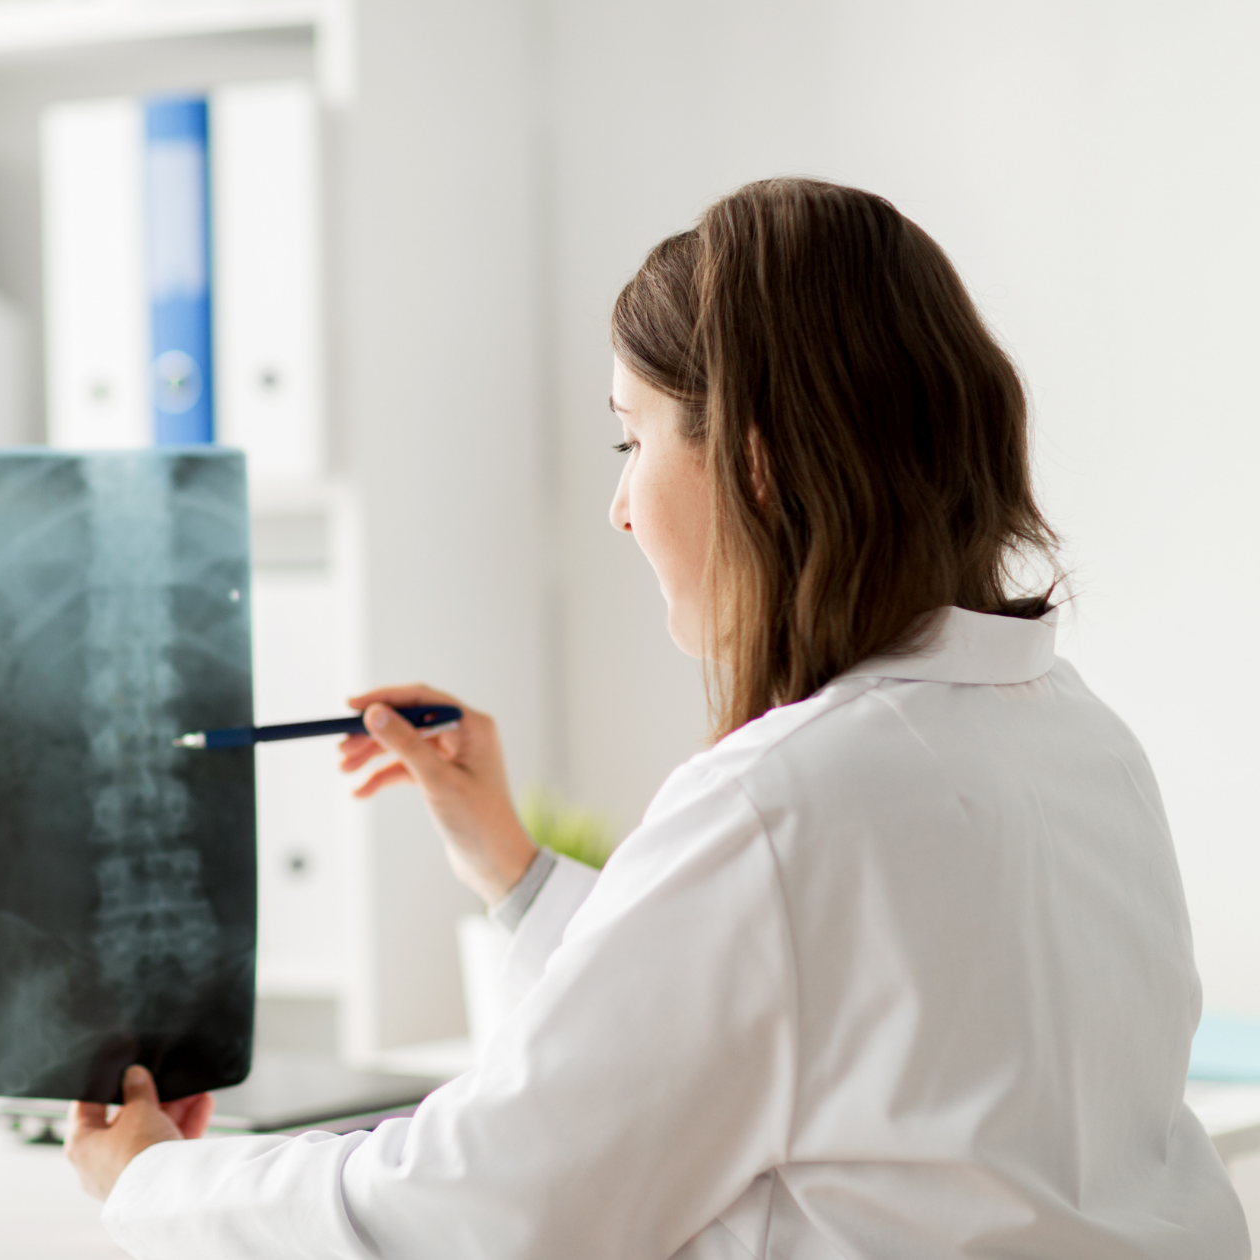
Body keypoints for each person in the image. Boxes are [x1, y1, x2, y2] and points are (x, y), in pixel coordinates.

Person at [65, 178, 1249, 1257]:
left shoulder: (785, 799)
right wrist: (511, 867)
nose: (621, 509)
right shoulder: (1076, 736)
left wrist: (155, 1185)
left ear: (756, 463)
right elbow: (776, 1018)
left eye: (632, 440)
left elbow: (470, 1213)